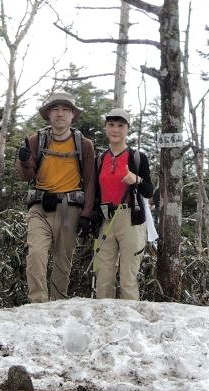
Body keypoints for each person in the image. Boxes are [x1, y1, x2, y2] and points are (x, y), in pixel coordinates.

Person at [16, 92, 96, 303]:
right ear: (49, 114)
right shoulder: (36, 140)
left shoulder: (84, 145)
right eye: (55, 109)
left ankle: (58, 305)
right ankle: (38, 304)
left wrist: (87, 214)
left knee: (63, 263)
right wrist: (24, 161)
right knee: (36, 254)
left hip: (70, 209)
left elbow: (90, 181)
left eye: (65, 109)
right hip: (40, 208)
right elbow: (26, 176)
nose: (60, 114)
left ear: (72, 114)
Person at [93, 108, 154, 300]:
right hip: (106, 220)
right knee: (103, 277)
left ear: (127, 129)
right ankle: (104, 316)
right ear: (105, 127)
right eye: (111, 125)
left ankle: (129, 317)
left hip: (131, 219)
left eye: (120, 125)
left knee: (128, 278)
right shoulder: (100, 159)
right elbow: (95, 191)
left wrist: (136, 179)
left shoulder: (137, 158)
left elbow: (149, 191)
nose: (115, 130)